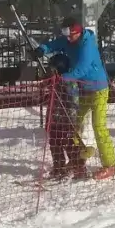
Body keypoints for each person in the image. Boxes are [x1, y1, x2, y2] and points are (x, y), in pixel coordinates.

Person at [37, 16, 115, 179]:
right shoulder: (69, 40)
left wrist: (61, 78)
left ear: (78, 32)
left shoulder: (87, 45)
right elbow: (56, 44)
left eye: (70, 34)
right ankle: (77, 159)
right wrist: (42, 49)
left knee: (98, 126)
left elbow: (81, 69)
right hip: (83, 91)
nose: (67, 37)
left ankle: (110, 165)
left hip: (98, 90)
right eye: (65, 34)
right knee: (72, 127)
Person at [44, 51, 84, 180]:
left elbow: (74, 101)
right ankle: (59, 167)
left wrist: (72, 121)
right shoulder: (53, 82)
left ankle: (78, 166)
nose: (50, 72)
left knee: (69, 143)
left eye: (52, 69)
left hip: (67, 120)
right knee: (54, 144)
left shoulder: (69, 82)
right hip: (54, 119)